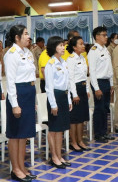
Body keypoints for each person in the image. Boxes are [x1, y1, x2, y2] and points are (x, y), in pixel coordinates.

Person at [4, 25, 37, 182]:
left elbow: (31, 78)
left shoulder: (28, 52)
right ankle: (15, 169)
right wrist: (15, 104)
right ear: (17, 38)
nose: (28, 36)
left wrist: (34, 101)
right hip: (18, 95)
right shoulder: (12, 54)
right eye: (25, 34)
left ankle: (22, 166)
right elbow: (10, 82)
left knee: (24, 135)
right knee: (15, 135)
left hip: (28, 95)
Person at [45, 36, 72, 169]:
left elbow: (66, 84)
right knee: (54, 129)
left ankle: (59, 155)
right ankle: (54, 156)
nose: (63, 47)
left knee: (60, 129)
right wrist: (53, 104)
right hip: (54, 97)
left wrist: (69, 99)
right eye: (60, 45)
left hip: (63, 96)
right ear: (54, 47)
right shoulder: (51, 64)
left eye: (63, 45)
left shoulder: (63, 62)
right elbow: (49, 87)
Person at [88, 26, 114, 143]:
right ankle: (98, 134)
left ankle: (104, 132)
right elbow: (92, 71)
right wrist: (96, 88)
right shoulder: (93, 51)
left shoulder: (105, 49)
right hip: (98, 82)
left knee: (105, 108)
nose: (106, 37)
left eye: (106, 35)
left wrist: (112, 83)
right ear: (97, 37)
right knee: (99, 109)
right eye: (104, 35)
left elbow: (109, 68)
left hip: (106, 81)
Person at [67, 36, 90, 152]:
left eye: (83, 43)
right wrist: (74, 94)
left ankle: (80, 140)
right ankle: (73, 142)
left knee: (81, 118)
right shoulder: (71, 59)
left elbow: (84, 76)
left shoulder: (82, 58)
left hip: (82, 87)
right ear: (74, 47)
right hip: (74, 89)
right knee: (74, 118)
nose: (83, 45)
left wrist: (86, 90)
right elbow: (70, 78)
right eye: (80, 44)